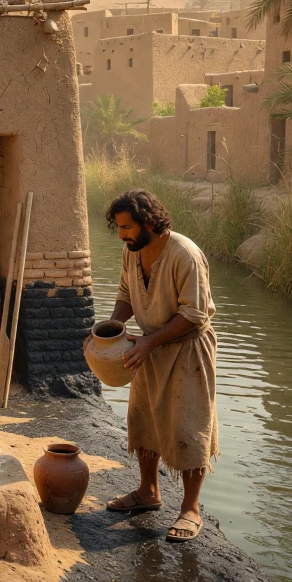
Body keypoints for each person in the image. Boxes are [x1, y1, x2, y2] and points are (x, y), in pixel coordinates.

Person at [95, 188, 218, 543]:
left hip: (188, 349)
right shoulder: (131, 252)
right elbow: (124, 296)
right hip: (149, 345)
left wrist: (149, 341)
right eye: (118, 228)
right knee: (144, 417)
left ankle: (190, 509)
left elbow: (193, 314)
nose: (122, 235)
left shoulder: (185, 255)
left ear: (149, 221)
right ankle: (148, 492)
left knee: (189, 425)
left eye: (127, 227)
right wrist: (109, 332)